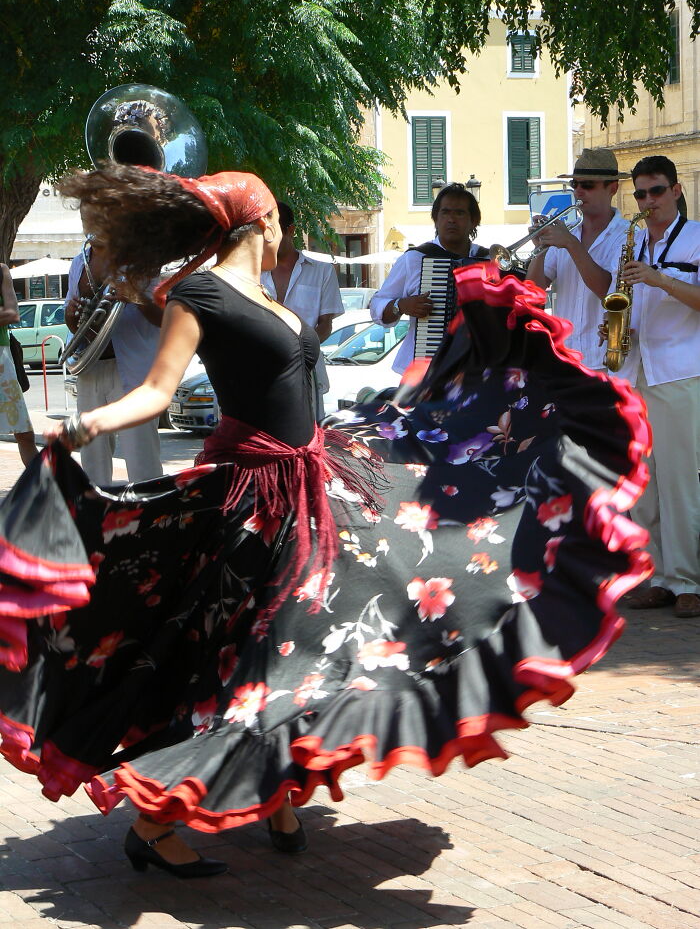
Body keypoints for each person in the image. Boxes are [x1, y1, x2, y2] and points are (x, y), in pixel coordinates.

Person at [0, 165, 651, 883]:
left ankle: (275, 794)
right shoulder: (196, 293)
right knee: (277, 657)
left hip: (318, 485)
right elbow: (157, 390)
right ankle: (158, 819)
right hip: (255, 503)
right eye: (281, 218)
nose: (286, 232)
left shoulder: (272, 299)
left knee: (317, 645)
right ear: (264, 221)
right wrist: (87, 424)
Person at [611, 155, 700, 618]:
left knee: (682, 481)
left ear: (677, 190)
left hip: (680, 372)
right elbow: (615, 302)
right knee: (643, 483)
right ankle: (656, 576)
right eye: (641, 194)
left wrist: (660, 280)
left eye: (657, 191)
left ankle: (689, 581)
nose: (648, 202)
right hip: (636, 370)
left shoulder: (698, 236)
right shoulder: (635, 244)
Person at [62, 211, 163, 484]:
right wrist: (72, 315)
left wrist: (137, 297)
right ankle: (97, 520)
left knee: (141, 458)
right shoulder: (78, 263)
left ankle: (151, 521)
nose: (88, 221)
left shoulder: (142, 261)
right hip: (90, 369)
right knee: (92, 459)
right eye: (85, 214)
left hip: (131, 370)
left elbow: (165, 317)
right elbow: (77, 325)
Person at [526, 148, 630, 372]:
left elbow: (608, 293)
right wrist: (540, 249)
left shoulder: (628, 236)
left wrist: (572, 245)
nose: (579, 192)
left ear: (613, 188)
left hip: (604, 362)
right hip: (563, 357)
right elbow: (533, 294)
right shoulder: (566, 231)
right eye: (575, 185)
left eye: (588, 185)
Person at [370, 182, 489, 376]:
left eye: (459, 213)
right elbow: (376, 305)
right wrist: (401, 305)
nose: (451, 219)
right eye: (445, 212)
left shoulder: (488, 260)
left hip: (477, 373)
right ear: (435, 218)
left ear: (473, 221)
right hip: (424, 374)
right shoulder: (414, 258)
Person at [261, 201, 344, 420]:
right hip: (262, 370)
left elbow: (326, 324)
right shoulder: (252, 274)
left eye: (272, 231)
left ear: (290, 230)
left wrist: (297, 353)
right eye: (262, 232)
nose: (267, 239)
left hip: (307, 369)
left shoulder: (322, 271)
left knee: (307, 438)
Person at [0, 265, 38, 467]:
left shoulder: (1, 270)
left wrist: (6, 312)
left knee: (24, 433)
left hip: (2, 362)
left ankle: (42, 488)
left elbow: (12, 313)